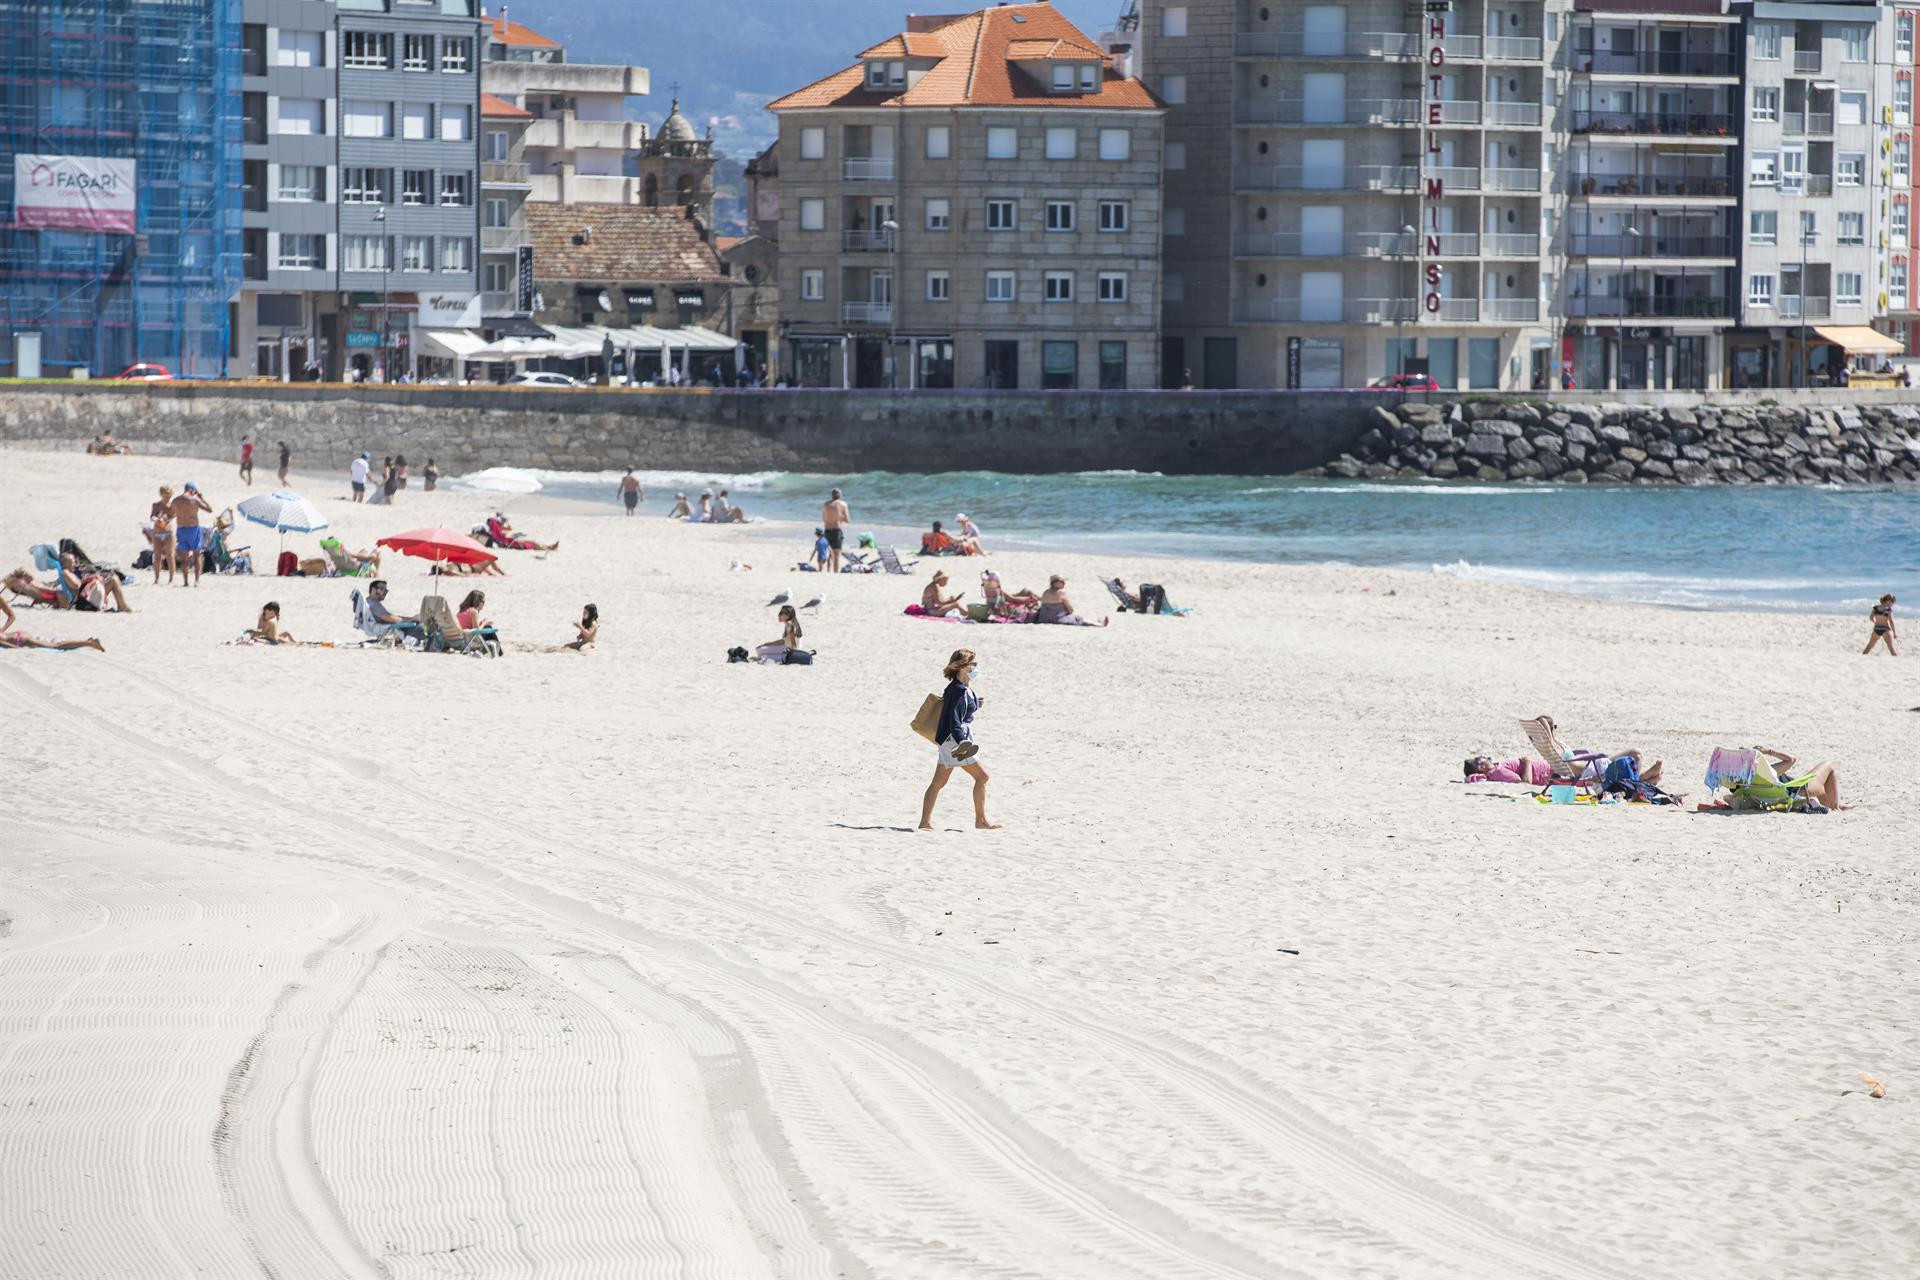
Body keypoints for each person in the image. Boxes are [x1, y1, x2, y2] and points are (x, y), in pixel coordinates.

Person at [919, 648, 999, 830]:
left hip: (951, 740)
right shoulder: (957, 690)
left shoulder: (963, 687)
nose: (975, 668)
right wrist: (962, 741)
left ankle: (925, 822)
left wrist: (975, 704)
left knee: (938, 782)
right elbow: (953, 719)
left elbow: (962, 710)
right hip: (956, 741)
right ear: (962, 667)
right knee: (982, 777)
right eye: (973, 664)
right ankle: (981, 821)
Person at [1745, 745, 1846, 810]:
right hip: (1799, 790)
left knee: (1821, 790)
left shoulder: (1746, 779)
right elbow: (1792, 760)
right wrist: (1768, 751)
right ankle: (1836, 808)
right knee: (1828, 766)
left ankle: (1840, 806)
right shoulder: (1768, 771)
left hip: (1792, 791)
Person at [0, 597, 103, 651]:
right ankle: (87, 642)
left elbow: (4, 644)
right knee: (52, 644)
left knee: (55, 646)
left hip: (20, 640)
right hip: (18, 635)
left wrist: (16, 648)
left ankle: (88, 642)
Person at [169, 482, 213, 587]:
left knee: (184, 558)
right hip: (193, 529)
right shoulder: (195, 499)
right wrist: (202, 498)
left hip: (181, 529)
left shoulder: (175, 500)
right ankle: (197, 581)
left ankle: (185, 582)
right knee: (197, 556)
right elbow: (209, 510)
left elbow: (171, 514)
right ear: (192, 490)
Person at [58, 552, 132, 612]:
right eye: (72, 562)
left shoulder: (69, 573)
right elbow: (77, 586)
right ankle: (122, 606)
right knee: (113, 580)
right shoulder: (66, 572)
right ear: (66, 563)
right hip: (84, 601)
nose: (75, 564)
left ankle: (122, 606)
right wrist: (89, 579)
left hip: (87, 597)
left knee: (113, 579)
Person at [1034, 576, 1106, 626]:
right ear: (1054, 583)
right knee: (1078, 618)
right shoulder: (1061, 593)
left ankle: (1098, 622)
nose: (1064, 583)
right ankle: (1100, 624)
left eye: (1064, 581)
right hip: (1057, 619)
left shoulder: (1046, 592)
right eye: (1061, 581)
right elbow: (1071, 610)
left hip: (1043, 619)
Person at [148, 485, 177, 585]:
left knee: (170, 555)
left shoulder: (172, 506)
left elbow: (173, 516)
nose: (168, 498)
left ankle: (171, 579)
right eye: (166, 496)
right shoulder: (156, 505)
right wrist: (157, 519)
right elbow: (152, 516)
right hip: (157, 532)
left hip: (169, 532)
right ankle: (157, 579)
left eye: (169, 496)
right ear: (161, 495)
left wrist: (166, 520)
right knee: (157, 556)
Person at [822, 487, 849, 574]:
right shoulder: (843, 504)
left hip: (827, 530)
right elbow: (847, 520)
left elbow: (824, 519)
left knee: (829, 553)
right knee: (836, 555)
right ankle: (836, 573)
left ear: (832, 495)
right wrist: (839, 516)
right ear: (840, 495)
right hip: (836, 530)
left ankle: (828, 571)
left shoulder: (825, 504)